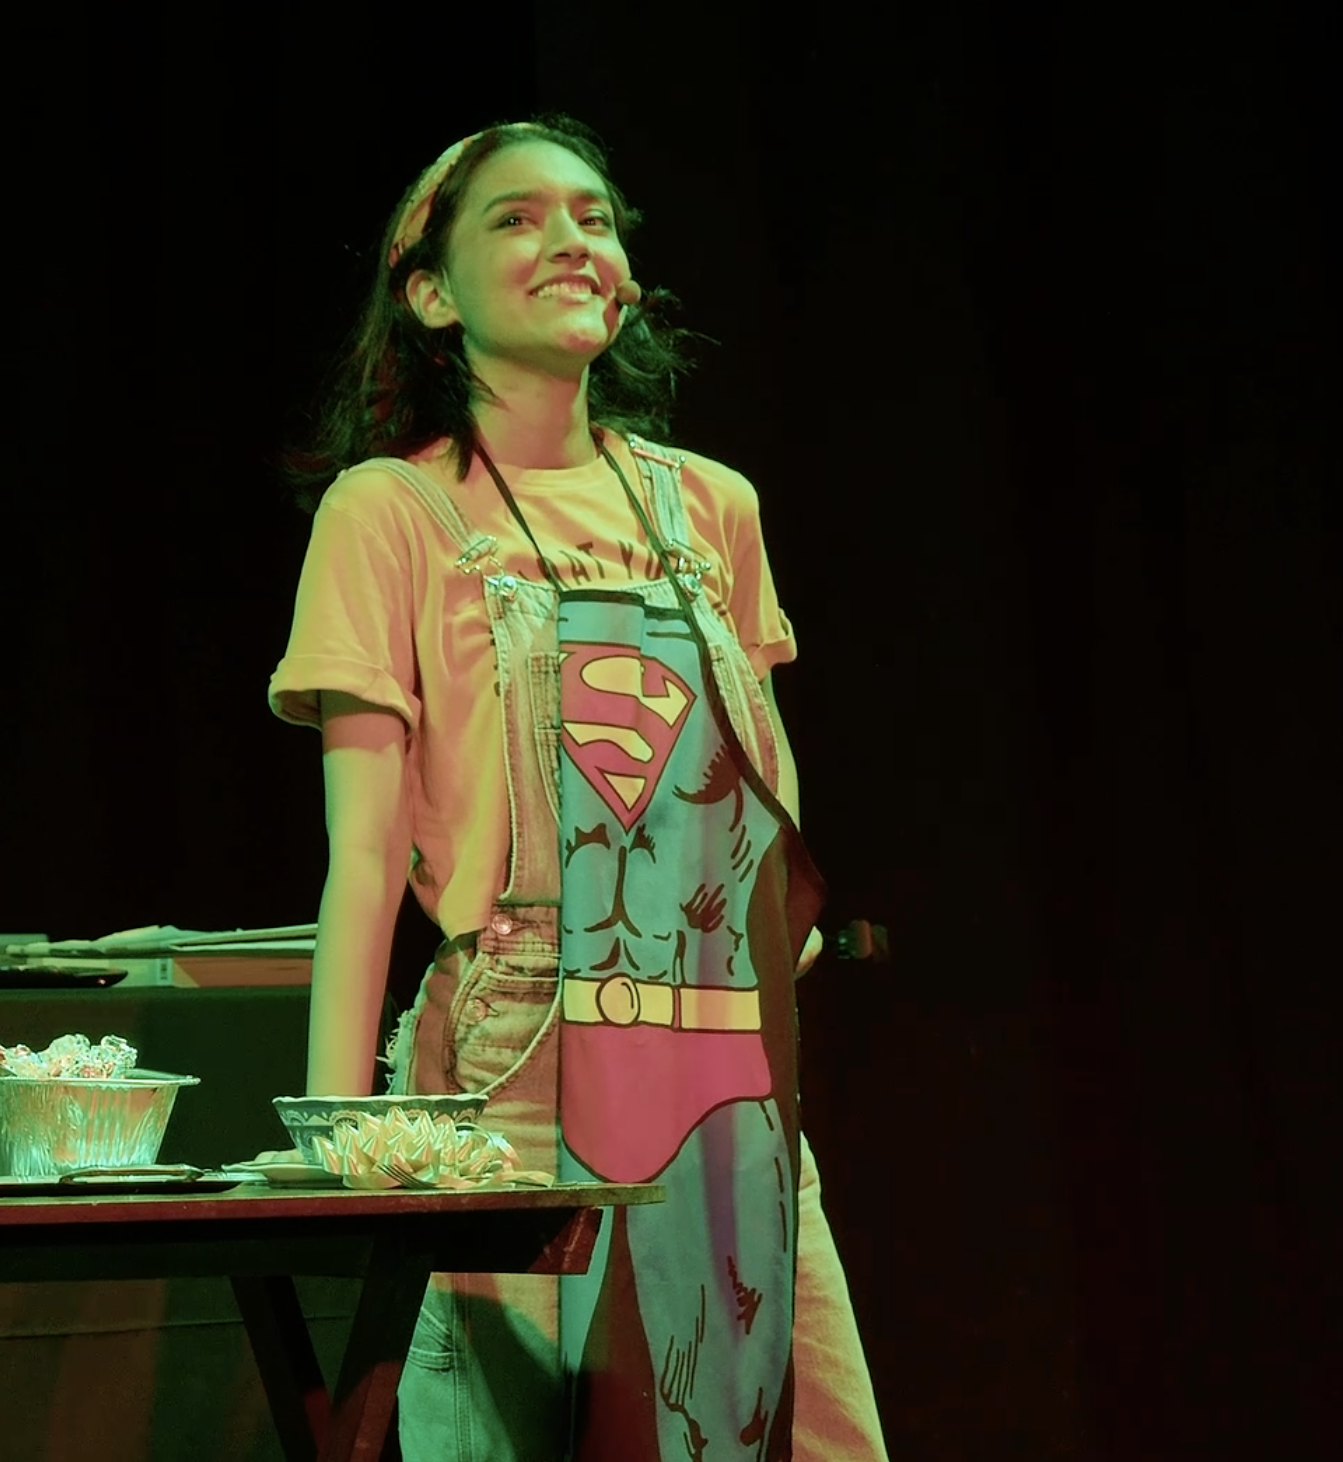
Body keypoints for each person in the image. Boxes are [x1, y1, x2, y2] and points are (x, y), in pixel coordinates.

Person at [269, 116, 887, 1462]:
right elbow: (363, 856)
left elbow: (762, 789)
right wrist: (340, 1140)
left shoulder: (710, 507)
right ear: (431, 294)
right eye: (518, 218)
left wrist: (774, 947)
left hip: (714, 1044)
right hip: (519, 1053)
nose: (571, 242)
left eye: (594, 219)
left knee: (780, 1428)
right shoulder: (393, 511)